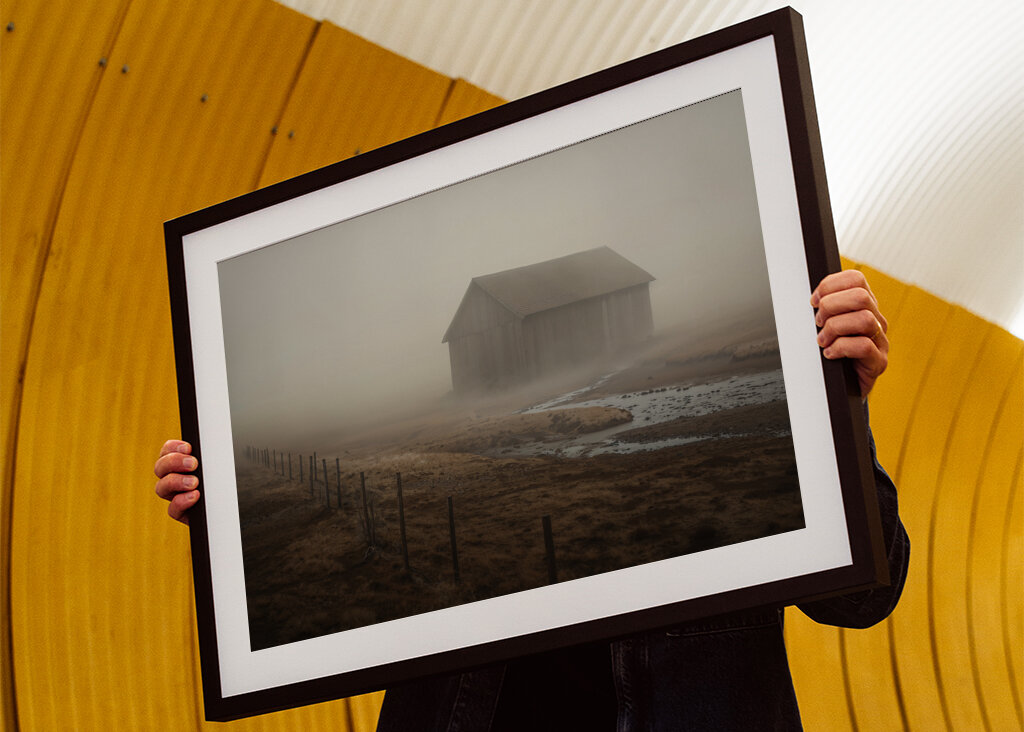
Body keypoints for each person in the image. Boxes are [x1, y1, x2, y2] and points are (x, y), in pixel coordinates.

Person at [154, 270, 908, 730]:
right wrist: (234, 516)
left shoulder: (765, 413)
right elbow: (328, 571)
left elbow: (864, 597)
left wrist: (838, 406)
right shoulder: (424, 479)